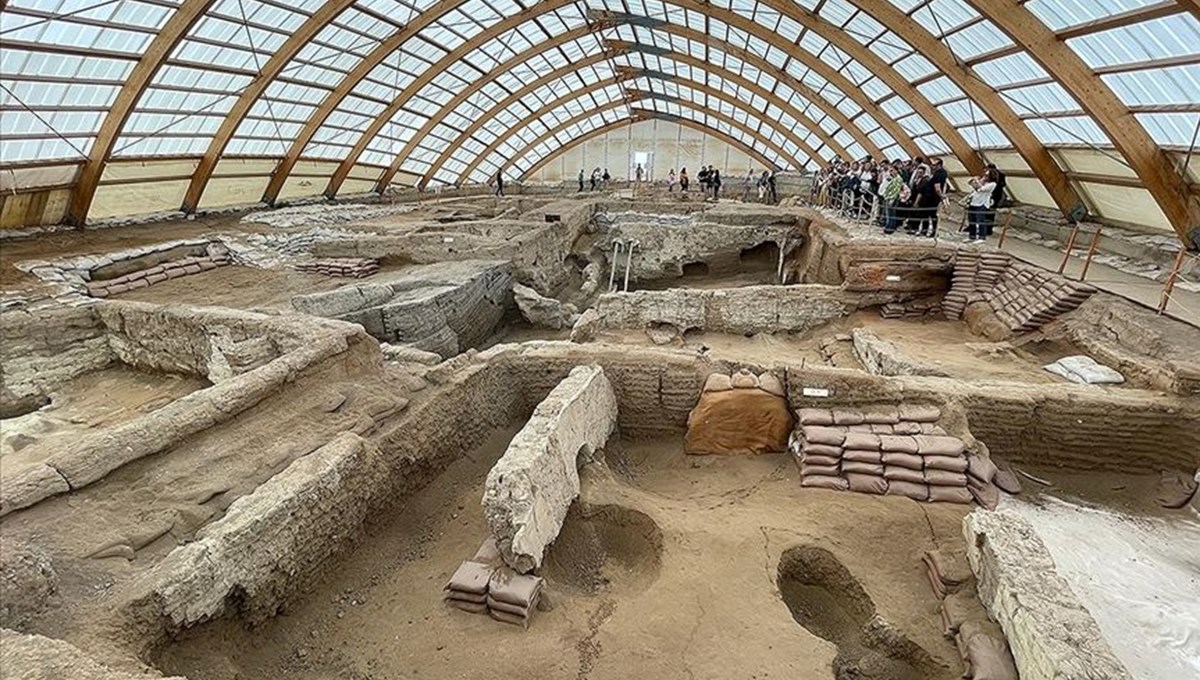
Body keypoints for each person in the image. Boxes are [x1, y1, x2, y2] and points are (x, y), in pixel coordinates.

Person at [967, 169, 999, 243]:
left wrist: (978, 181)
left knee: (980, 220)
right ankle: (972, 236)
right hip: (974, 202)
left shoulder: (992, 184)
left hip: (982, 203)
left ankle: (982, 237)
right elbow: (974, 186)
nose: (985, 177)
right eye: (985, 175)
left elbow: (982, 189)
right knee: (972, 220)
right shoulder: (983, 182)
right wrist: (974, 180)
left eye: (987, 175)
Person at [986, 163, 1007, 237]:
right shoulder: (1002, 175)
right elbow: (1004, 184)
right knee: (991, 213)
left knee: (988, 212)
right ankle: (988, 229)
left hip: (992, 195)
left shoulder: (991, 176)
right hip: (997, 195)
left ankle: (987, 229)